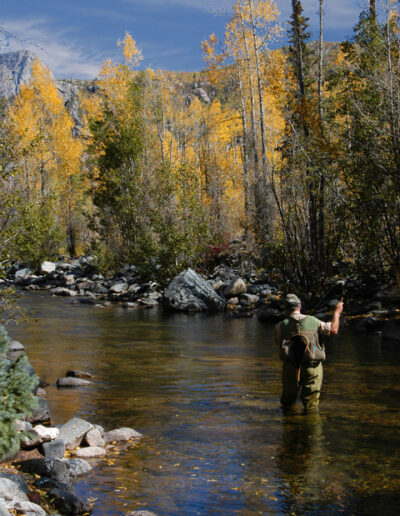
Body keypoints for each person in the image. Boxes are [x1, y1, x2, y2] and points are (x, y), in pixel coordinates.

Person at [274, 293, 343, 412]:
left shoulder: (280, 326)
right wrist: (337, 313)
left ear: (286, 308)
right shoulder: (315, 322)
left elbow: (277, 343)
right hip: (312, 368)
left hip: (290, 368)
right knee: (311, 405)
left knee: (287, 403)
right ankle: (310, 427)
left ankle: (289, 426)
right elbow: (334, 329)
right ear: (299, 306)